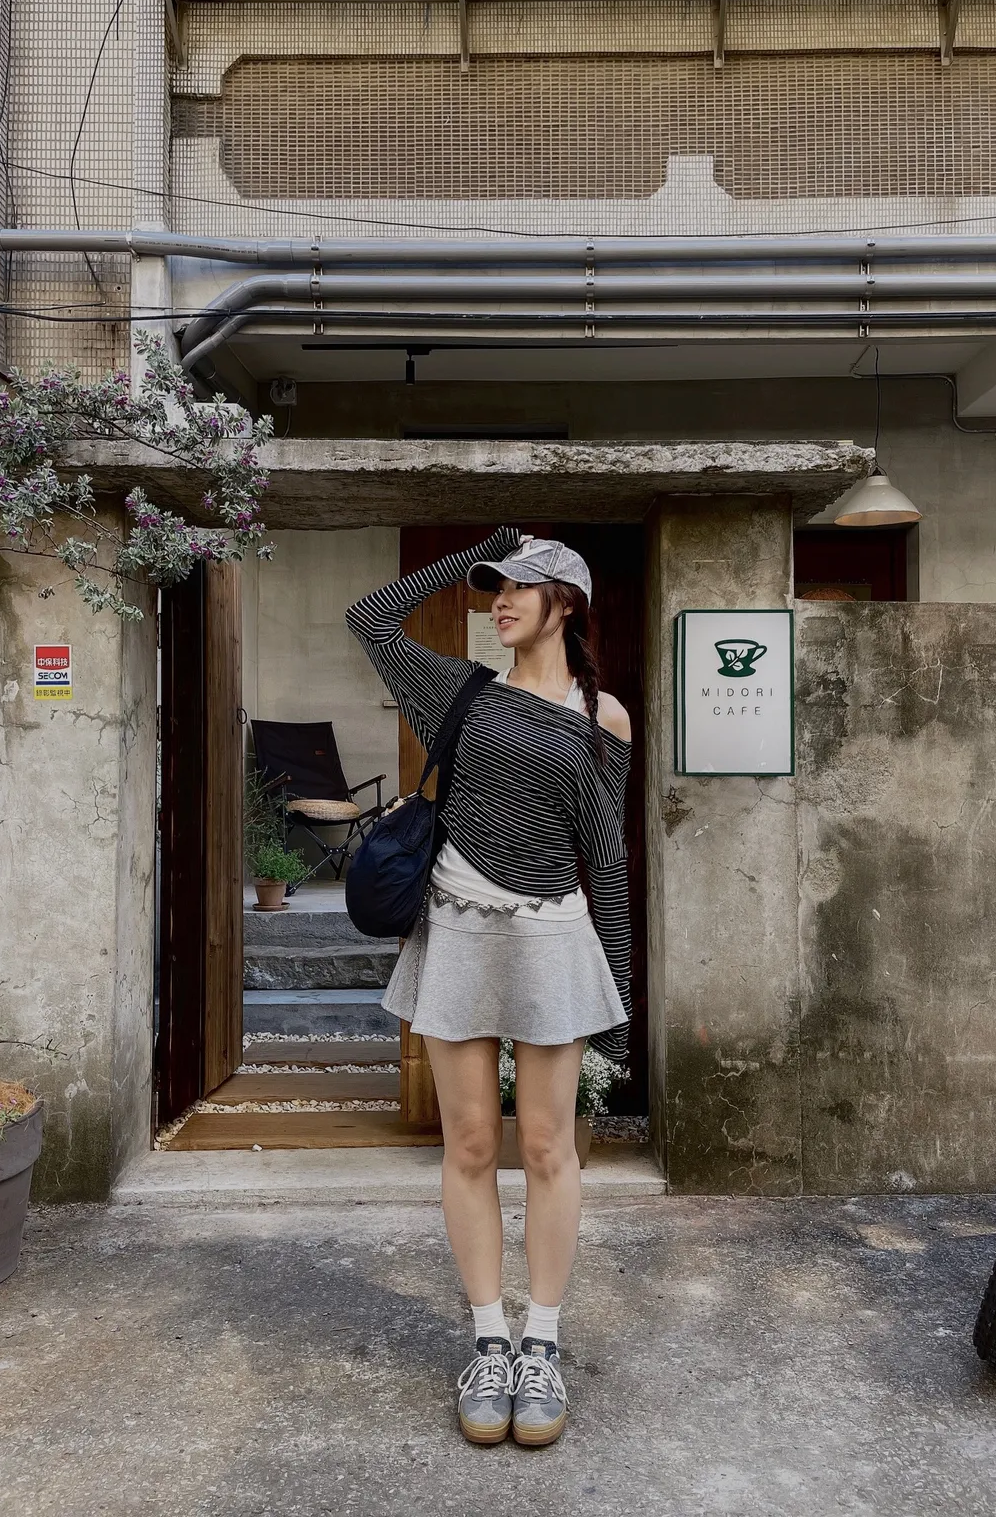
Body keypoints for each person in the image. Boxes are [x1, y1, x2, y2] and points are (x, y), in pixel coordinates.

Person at [346, 528, 633, 1448]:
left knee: (548, 1147)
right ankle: (488, 1341)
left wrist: (620, 1002)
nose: (498, 599)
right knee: (469, 1142)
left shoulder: (603, 718)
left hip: (553, 939)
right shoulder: (459, 691)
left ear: (566, 603)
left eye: (518, 585)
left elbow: (606, 860)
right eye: (492, 586)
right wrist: (484, 544)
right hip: (458, 932)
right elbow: (370, 618)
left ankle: (541, 1343)